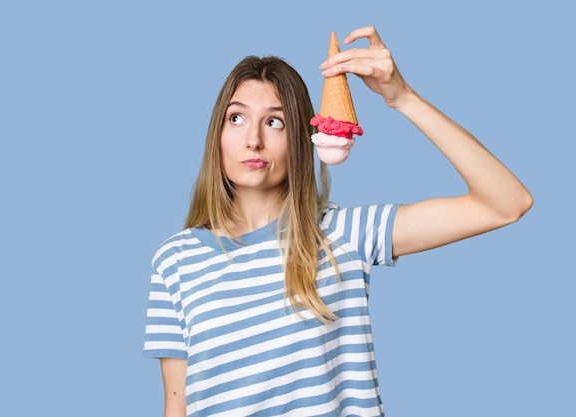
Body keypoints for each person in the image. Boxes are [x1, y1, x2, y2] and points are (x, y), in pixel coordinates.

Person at [143, 25, 533, 417]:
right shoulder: (174, 261)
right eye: (237, 118)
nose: (254, 140)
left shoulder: (344, 235)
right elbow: (176, 407)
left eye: (275, 121)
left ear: (301, 136)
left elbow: (506, 202)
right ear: (218, 135)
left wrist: (403, 98)